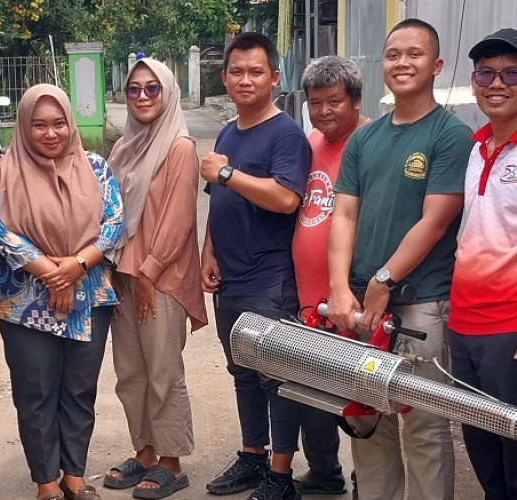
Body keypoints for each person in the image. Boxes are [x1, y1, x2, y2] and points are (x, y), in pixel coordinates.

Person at [326, 19, 473, 500]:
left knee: (423, 425)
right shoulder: (365, 139)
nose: (402, 62)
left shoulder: (450, 135)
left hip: (417, 306)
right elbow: (344, 214)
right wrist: (338, 287)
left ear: (436, 66)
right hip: (363, 306)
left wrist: (386, 277)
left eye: (414, 54)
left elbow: (435, 221)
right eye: (393, 54)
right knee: (367, 419)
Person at [0, 84, 122, 500]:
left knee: (79, 389)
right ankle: (46, 481)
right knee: (36, 391)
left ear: (70, 124)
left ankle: (75, 476)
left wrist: (75, 266)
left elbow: (115, 222)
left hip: (89, 296)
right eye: (39, 125)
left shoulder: (96, 167)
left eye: (59, 123)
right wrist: (51, 273)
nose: (50, 133)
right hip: (24, 301)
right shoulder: (5, 171)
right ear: (24, 128)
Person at [199, 32, 310, 500]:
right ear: (224, 78)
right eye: (237, 72)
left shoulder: (285, 134)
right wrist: (208, 252)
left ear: (275, 77)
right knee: (242, 370)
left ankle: (280, 476)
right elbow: (219, 202)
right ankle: (252, 456)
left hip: (271, 279)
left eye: (256, 71)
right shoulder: (229, 131)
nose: (246, 80)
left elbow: (287, 198)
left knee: (275, 375)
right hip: (232, 275)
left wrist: (226, 172)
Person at [104, 58, 207, 499]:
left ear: (167, 94)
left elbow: (179, 219)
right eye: (134, 90)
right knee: (130, 372)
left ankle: (171, 460)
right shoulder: (123, 147)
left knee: (164, 371)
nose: (143, 97)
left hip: (159, 278)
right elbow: (109, 211)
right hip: (123, 275)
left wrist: (148, 271)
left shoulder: (179, 147)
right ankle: (144, 451)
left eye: (152, 89)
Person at [448, 28, 517, 499]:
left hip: (515, 331)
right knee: (482, 449)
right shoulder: (477, 148)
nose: (496, 83)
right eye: (485, 72)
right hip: (464, 327)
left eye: (511, 73)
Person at [290, 55, 369, 497]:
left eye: (334, 101)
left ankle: (368, 478)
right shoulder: (310, 142)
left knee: (360, 399)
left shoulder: (373, 139)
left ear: (355, 99)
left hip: (351, 298)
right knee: (309, 395)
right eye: (316, 102)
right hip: (307, 296)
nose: (324, 112)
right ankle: (324, 472)